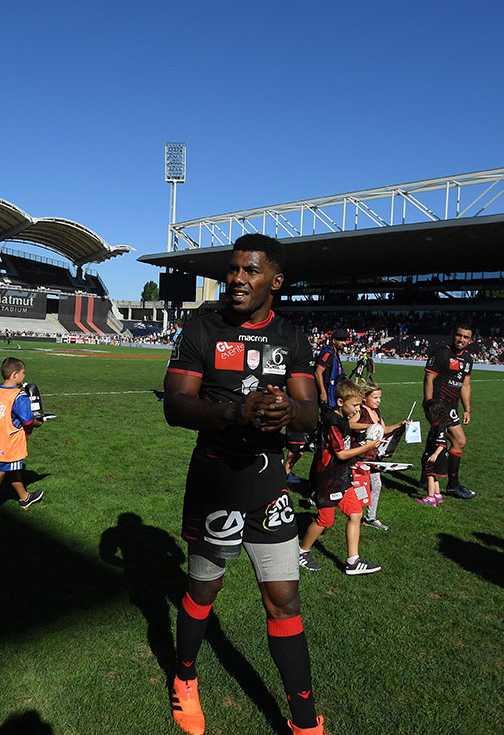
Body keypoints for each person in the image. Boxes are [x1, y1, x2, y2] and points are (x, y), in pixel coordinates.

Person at [163, 233, 325, 735]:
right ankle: (184, 679)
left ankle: (304, 722)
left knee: (284, 599)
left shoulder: (293, 337)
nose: (236, 278)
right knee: (204, 589)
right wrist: (235, 410)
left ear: (275, 281)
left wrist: (287, 411)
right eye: (233, 269)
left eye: (250, 271)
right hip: (216, 480)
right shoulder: (201, 329)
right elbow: (175, 405)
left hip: (269, 484)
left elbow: (310, 415)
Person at [297, 379, 383, 575]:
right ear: (340, 402)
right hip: (327, 479)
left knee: (356, 513)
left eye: (360, 405)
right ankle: (302, 551)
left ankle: (353, 561)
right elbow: (341, 454)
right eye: (355, 405)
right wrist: (368, 446)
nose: (357, 409)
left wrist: (369, 427)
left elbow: (348, 427)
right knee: (325, 520)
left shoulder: (341, 418)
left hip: (341, 476)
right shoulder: (332, 422)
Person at [0, 357, 45, 522]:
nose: (23, 376)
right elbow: (28, 421)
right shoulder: (18, 395)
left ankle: (25, 497)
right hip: (8, 442)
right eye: (22, 373)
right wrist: (39, 422)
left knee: (11, 468)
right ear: (14, 375)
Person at [285, 329, 349, 484]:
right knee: (302, 445)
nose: (344, 343)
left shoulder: (334, 354)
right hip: (322, 402)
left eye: (345, 340)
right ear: (333, 340)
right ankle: (286, 473)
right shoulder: (327, 353)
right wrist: (323, 392)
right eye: (341, 340)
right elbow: (319, 372)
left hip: (328, 402)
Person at [423, 323, 477, 499]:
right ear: (454, 335)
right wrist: (429, 404)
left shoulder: (467, 360)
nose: (461, 339)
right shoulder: (440, 353)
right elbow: (429, 379)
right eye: (459, 335)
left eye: (465, 337)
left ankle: (426, 479)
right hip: (438, 405)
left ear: (470, 340)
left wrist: (467, 409)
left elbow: (465, 385)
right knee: (459, 441)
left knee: (435, 441)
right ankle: (453, 485)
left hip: (452, 406)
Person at [354, 380, 405, 530]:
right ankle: (352, 513)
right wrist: (368, 426)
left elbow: (384, 429)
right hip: (359, 454)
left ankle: (370, 518)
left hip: (373, 456)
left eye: (380, 398)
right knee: (357, 487)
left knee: (376, 485)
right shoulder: (360, 411)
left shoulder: (377, 412)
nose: (378, 401)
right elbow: (350, 424)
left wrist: (399, 425)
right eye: (375, 397)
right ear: (365, 397)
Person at [417, 400, 452, 506]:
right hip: (435, 454)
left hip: (435, 455)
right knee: (434, 474)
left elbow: (442, 443)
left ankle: (430, 497)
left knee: (430, 475)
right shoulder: (438, 424)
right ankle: (437, 494)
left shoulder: (439, 427)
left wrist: (435, 454)